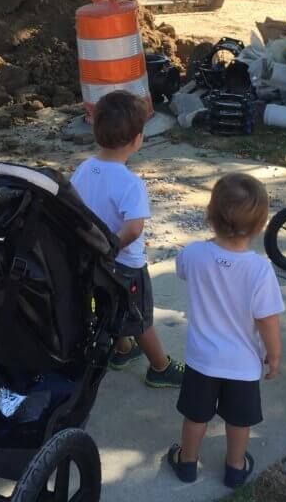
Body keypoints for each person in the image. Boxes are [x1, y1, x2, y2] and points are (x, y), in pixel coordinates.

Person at [168, 173, 284, 488]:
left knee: (195, 416)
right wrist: (274, 354)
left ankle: (187, 462)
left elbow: (182, 269)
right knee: (238, 420)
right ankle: (235, 467)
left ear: (209, 215)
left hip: (202, 359)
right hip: (242, 364)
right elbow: (267, 320)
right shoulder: (259, 270)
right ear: (261, 225)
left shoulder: (193, 254)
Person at [70, 91, 185, 388]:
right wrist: (110, 247)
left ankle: (121, 350)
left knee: (108, 304)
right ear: (137, 139)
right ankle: (160, 367)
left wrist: (95, 248)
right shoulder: (130, 183)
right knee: (139, 317)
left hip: (93, 259)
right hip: (126, 265)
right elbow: (133, 229)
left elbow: (73, 209)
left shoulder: (84, 169)